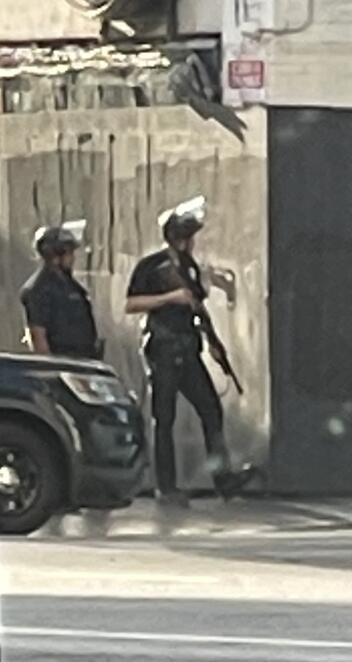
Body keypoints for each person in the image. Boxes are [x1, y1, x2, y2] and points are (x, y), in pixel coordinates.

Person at [125, 197, 255, 507]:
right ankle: (166, 487)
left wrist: (213, 342)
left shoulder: (187, 266)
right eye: (189, 236)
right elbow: (132, 304)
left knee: (211, 410)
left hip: (188, 348)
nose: (193, 241)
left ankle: (224, 480)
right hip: (163, 350)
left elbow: (196, 306)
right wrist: (169, 298)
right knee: (164, 419)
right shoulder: (152, 267)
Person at [20, 226, 102, 359]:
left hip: (83, 360)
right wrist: (52, 370)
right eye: (69, 253)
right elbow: (38, 336)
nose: (73, 258)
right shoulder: (38, 289)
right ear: (54, 255)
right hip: (64, 363)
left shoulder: (70, 285)